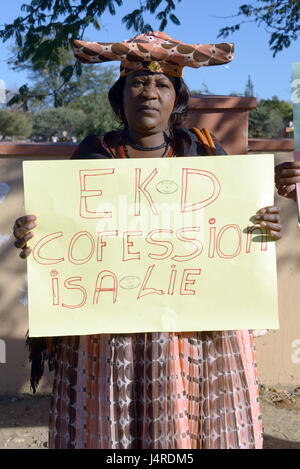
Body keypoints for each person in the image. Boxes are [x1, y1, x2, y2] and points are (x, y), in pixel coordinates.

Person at [13, 31, 282, 450]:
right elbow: (62, 236)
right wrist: (34, 234)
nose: (149, 93)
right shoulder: (93, 156)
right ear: (119, 96)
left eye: (162, 84)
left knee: (184, 433)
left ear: (178, 98)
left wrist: (263, 225)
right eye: (138, 82)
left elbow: (234, 228)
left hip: (189, 337)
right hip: (107, 341)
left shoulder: (204, 155)